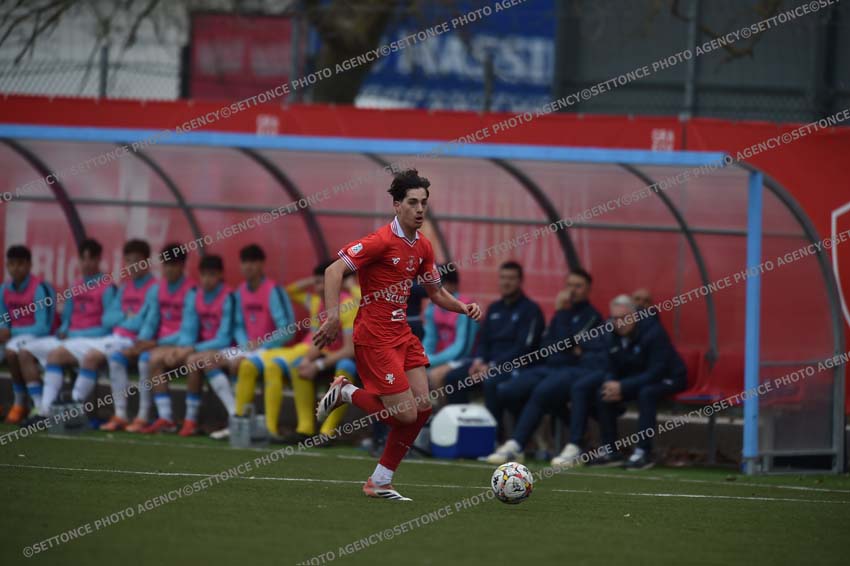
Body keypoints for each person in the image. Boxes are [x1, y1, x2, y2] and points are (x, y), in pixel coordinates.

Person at [313, 169, 482, 501]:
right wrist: (332, 316)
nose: (419, 209)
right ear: (397, 205)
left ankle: (380, 481)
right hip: (374, 337)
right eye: (412, 202)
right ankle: (345, 391)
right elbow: (334, 270)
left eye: (424, 203)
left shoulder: (424, 247)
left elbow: (436, 293)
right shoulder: (379, 242)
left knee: (423, 408)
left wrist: (463, 307)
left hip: (402, 334)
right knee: (404, 414)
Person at [485, 269, 607, 465]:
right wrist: (568, 345)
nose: (572, 290)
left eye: (578, 286)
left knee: (543, 391)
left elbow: (568, 344)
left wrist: (565, 325)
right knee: (507, 390)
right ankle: (527, 438)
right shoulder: (560, 315)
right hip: (549, 366)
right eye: (569, 285)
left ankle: (518, 444)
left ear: (588, 290)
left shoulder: (591, 317)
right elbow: (547, 345)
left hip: (574, 369)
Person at [18, 238, 117, 421]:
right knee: (24, 352)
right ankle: (38, 405)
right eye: (83, 259)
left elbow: (107, 327)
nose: (86, 263)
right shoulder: (75, 285)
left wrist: (74, 333)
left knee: (56, 355)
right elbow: (67, 317)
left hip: (92, 340)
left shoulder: (107, 287)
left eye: (91, 259)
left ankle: (48, 411)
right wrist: (63, 329)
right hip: (69, 338)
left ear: (98, 260)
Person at [266, 261, 359, 443]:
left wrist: (318, 365)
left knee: (345, 367)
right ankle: (305, 429)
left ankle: (327, 432)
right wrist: (307, 360)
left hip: (349, 359)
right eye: (316, 282)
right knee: (298, 366)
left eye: (321, 282)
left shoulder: (349, 305)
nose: (317, 287)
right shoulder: (318, 304)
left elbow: (350, 350)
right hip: (327, 356)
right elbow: (318, 341)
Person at [596, 294, 687, 470]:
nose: (619, 323)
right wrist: (611, 384)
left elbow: (657, 372)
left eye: (624, 318)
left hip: (670, 378)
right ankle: (610, 451)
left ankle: (643, 452)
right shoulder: (611, 333)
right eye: (615, 318)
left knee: (647, 393)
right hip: (639, 379)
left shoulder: (653, 332)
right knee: (604, 393)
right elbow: (608, 365)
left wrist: (623, 386)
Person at [437, 261, 544, 405]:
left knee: (490, 382)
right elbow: (483, 340)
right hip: (486, 364)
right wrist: (479, 360)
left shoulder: (531, 310)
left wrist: (493, 365)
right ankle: (463, 418)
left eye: (511, 278)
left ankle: (495, 421)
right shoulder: (494, 308)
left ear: (520, 281)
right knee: (453, 378)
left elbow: (524, 348)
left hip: (512, 365)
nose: (506, 282)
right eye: (503, 278)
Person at [157, 255, 236, 437]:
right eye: (204, 275)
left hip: (227, 348)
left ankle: (195, 418)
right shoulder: (194, 294)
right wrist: (181, 348)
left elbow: (224, 338)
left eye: (212, 275)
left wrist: (192, 349)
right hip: (201, 348)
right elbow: (188, 329)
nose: (207, 280)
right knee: (153, 359)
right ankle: (165, 418)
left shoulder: (228, 296)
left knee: (194, 360)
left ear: (220, 275)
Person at [228, 244, 296, 437]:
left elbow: (288, 330)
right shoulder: (240, 291)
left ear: (261, 264)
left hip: (274, 349)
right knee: (216, 363)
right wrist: (246, 344)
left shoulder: (273, 290)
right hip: (248, 347)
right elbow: (238, 325)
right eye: (244, 262)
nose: (248, 266)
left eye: (252, 262)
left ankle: (268, 428)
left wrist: (262, 344)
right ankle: (237, 422)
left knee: (246, 366)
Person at [0, 245, 56, 423]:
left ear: (29, 265)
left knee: (12, 351)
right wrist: (3, 329)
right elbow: (3, 319)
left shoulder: (41, 288)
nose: (15, 268)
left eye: (20, 264)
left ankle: (23, 404)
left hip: (40, 338)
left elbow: (43, 327)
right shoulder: (4, 289)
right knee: (10, 349)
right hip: (13, 338)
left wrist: (10, 332)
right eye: (11, 264)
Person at [423, 267, 478, 390]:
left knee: (436, 376)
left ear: (453, 285)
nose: (435, 290)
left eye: (439, 285)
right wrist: (424, 359)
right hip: (439, 358)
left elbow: (462, 348)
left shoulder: (466, 307)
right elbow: (429, 339)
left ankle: (443, 404)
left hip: (465, 358)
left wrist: (431, 361)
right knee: (415, 374)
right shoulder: (432, 307)